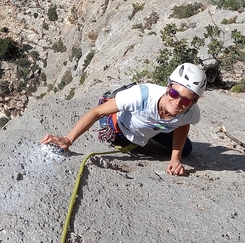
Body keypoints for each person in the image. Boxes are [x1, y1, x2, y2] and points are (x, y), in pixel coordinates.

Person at [40, 62, 207, 176]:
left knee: (186, 150)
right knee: (120, 138)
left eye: (185, 100)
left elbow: (183, 124)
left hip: (153, 128)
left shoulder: (191, 113)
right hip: (120, 127)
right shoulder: (141, 96)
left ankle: (148, 136)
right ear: (168, 87)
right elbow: (97, 112)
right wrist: (68, 139)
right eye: (174, 93)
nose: (178, 102)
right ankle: (113, 98)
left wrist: (175, 158)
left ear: (194, 102)